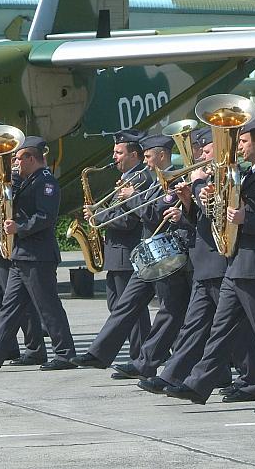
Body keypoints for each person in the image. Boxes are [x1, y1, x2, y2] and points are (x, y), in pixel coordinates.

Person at [164, 114, 255, 405]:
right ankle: (199, 384)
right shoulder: (246, 173)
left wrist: (247, 218)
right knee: (220, 330)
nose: (240, 146)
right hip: (236, 263)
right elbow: (222, 214)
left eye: (245, 141)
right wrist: (207, 195)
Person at [136, 127, 255, 400]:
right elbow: (201, 221)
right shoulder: (209, 181)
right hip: (203, 260)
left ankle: (251, 380)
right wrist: (187, 204)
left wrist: (194, 188)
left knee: (233, 328)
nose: (201, 157)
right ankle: (172, 374)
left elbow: (220, 217)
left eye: (206, 152)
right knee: (194, 325)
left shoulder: (227, 179)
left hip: (219, 260)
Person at [71, 133, 192, 377]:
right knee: (126, 304)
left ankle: (149, 362)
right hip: (149, 253)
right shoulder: (153, 180)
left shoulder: (171, 179)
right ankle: (99, 353)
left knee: (170, 310)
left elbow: (152, 215)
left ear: (161, 155)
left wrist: (129, 198)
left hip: (166, 255)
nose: (146, 162)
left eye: (148, 156)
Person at [0, 136, 77, 370]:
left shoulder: (46, 182)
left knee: (48, 306)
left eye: (18, 159)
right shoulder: (28, 180)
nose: (15, 163)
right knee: (10, 305)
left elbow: (46, 217)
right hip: (21, 254)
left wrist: (20, 228)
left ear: (30, 158)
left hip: (37, 256)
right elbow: (13, 205)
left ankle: (65, 354)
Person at [84, 129, 152, 362]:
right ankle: (141, 352)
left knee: (131, 309)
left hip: (127, 251)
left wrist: (98, 216)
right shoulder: (127, 179)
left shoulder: (140, 179)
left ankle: (140, 355)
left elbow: (129, 219)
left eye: (118, 152)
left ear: (134, 155)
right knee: (116, 304)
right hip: (116, 252)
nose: (114, 157)